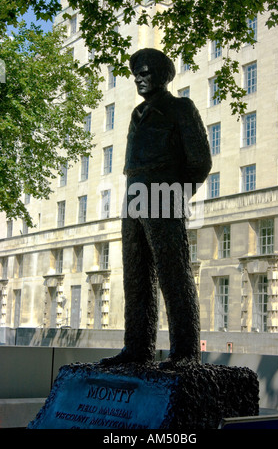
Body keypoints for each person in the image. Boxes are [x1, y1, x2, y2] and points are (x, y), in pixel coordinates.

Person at [100, 48, 212, 369]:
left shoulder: (180, 108)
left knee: (173, 273)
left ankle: (186, 352)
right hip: (133, 193)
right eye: (136, 73)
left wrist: (176, 195)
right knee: (135, 276)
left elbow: (200, 161)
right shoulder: (137, 114)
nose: (139, 78)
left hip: (164, 194)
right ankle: (137, 349)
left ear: (163, 75)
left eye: (145, 72)